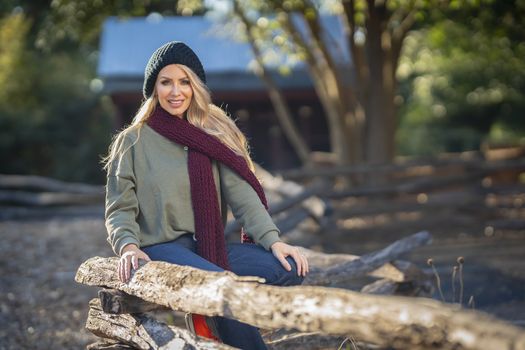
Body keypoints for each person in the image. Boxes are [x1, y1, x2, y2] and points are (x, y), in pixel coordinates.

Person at [102, 41, 308, 349]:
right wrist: (129, 246)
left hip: (206, 247)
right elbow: (120, 207)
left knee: (288, 269)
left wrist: (274, 240)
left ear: (195, 87)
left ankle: (213, 323)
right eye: (166, 82)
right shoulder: (133, 141)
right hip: (159, 249)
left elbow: (244, 197)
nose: (176, 92)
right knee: (222, 286)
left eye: (184, 82)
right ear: (153, 89)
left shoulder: (210, 136)